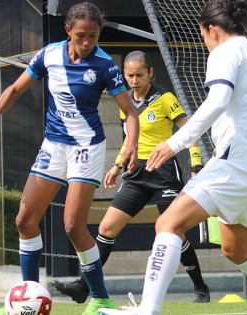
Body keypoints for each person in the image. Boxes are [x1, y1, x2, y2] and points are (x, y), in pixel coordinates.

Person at [99, 0, 247, 314]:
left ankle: (147, 309)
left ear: (212, 29)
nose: (204, 42)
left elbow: (218, 101)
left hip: (235, 161)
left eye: (202, 35)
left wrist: (174, 143)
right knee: (235, 248)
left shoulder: (224, 53)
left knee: (168, 224)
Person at [0, 2, 139, 315]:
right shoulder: (48, 54)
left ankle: (100, 298)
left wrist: (132, 144)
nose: (87, 42)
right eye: (81, 36)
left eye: (93, 36)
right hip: (54, 145)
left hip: (86, 147)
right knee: (24, 220)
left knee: (73, 226)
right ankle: (27, 301)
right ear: (68, 31)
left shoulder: (105, 66)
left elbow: (129, 112)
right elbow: (14, 90)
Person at [52, 51, 210, 304]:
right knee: (106, 228)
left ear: (150, 73)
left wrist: (195, 166)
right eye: (129, 75)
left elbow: (190, 131)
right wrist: (117, 166)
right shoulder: (125, 102)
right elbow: (129, 141)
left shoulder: (165, 99)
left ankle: (201, 288)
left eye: (139, 74)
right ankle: (84, 286)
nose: (134, 80)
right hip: (136, 173)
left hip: (164, 171)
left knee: (173, 232)